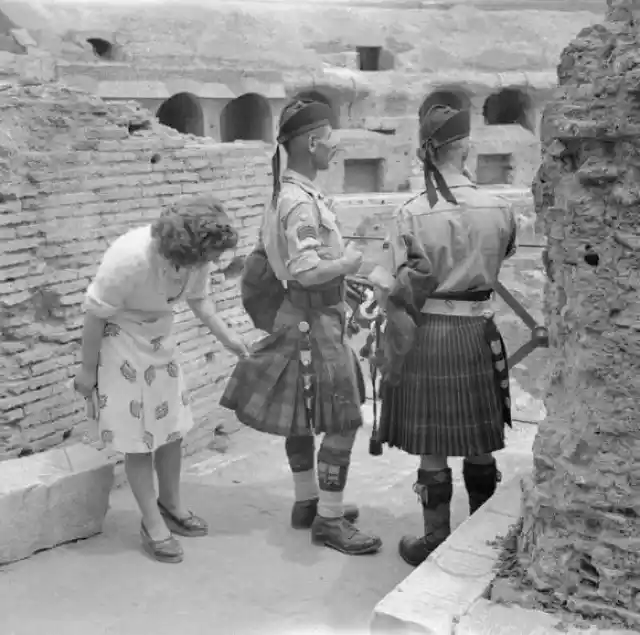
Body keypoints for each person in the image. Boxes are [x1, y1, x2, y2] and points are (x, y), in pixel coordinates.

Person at [221, 98, 382, 556]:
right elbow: (308, 270)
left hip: (299, 317)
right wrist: (348, 262)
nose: (334, 147)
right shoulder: (300, 202)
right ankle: (329, 520)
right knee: (343, 417)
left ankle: (307, 501)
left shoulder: (283, 195)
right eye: (329, 139)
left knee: (303, 415)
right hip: (315, 322)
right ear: (312, 143)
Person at [369, 104, 517, 567]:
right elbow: (504, 254)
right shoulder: (501, 207)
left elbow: (385, 280)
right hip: (477, 330)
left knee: (434, 444)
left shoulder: (411, 213)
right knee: (478, 439)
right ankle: (481, 535)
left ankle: (435, 539)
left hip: (429, 332)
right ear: (466, 147)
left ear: (424, 153)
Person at [73, 195, 249, 564]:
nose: (213, 263)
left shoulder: (196, 257)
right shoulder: (130, 257)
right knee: (139, 439)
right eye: (209, 257)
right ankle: (152, 523)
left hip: (159, 340)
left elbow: (200, 300)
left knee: (170, 429)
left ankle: (171, 504)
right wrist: (87, 372)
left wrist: (227, 336)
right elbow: (94, 315)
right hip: (121, 341)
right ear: (185, 248)